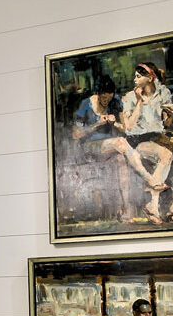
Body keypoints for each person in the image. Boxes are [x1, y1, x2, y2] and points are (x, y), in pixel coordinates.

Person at [71, 75, 166, 222]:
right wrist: (96, 124)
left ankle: (126, 211)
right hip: (90, 148)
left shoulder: (115, 101)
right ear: (97, 94)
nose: (106, 101)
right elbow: (76, 134)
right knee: (120, 142)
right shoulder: (86, 104)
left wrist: (115, 123)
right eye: (103, 98)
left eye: (109, 98)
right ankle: (150, 180)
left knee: (122, 160)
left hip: (111, 146)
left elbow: (125, 128)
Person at [121, 62, 173, 224]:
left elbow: (165, 124)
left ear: (150, 77)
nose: (135, 79)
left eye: (139, 77)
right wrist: (139, 101)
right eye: (135, 76)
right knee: (166, 154)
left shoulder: (163, 93)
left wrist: (169, 115)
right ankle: (153, 205)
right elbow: (129, 126)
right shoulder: (130, 97)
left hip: (158, 137)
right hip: (138, 139)